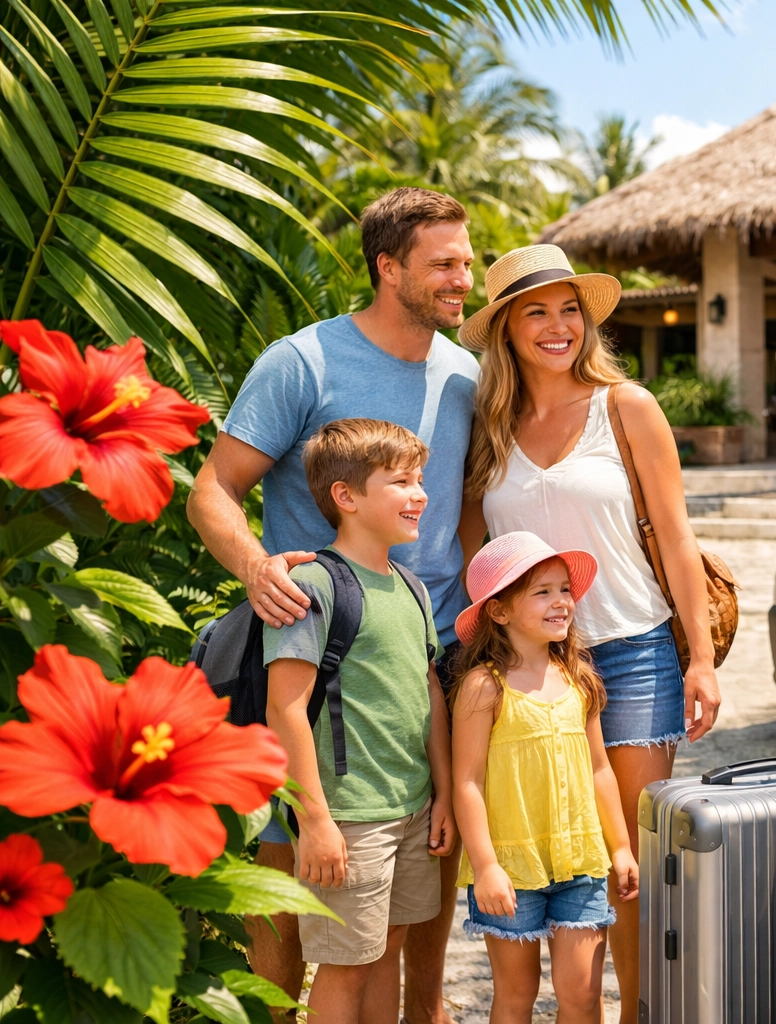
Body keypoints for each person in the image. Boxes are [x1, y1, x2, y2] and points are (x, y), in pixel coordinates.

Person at [187, 187, 478, 1023]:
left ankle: (423, 1011)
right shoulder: (302, 362)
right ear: (389, 267)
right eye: (444, 264)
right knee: (294, 868)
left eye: (468, 262)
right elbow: (213, 489)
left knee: (425, 850)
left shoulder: (466, 373)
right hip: (319, 652)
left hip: (432, 645)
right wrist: (256, 568)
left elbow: (466, 504)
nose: (464, 279)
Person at [455, 243, 722, 1024]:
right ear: (506, 328)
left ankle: (634, 1013)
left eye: (570, 309)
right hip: (525, 667)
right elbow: (474, 555)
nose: (558, 325)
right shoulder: (487, 428)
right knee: (542, 842)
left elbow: (676, 537)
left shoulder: (626, 407)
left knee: (624, 860)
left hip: (632, 653)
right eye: (536, 311)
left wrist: (701, 657)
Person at [264, 419, 456, 1024]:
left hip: (412, 807)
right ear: (345, 496)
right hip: (350, 818)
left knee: (387, 948)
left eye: (420, 480)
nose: (419, 494)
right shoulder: (314, 586)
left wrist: (444, 795)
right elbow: (284, 708)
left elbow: (429, 692)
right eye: (401, 482)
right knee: (345, 966)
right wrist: (315, 820)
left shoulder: (412, 587)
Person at [450, 531, 640, 1024]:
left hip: (581, 860)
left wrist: (620, 847)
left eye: (564, 589)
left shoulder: (579, 678)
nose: (561, 602)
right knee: (517, 994)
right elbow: (466, 783)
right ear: (499, 611)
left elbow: (599, 768)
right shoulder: (483, 687)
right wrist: (485, 867)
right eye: (542, 592)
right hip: (510, 867)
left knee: (583, 994)